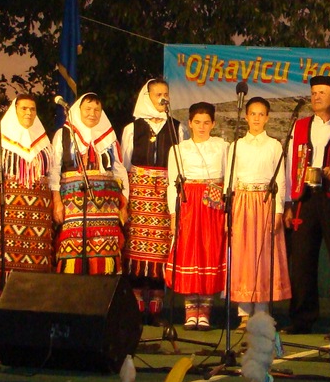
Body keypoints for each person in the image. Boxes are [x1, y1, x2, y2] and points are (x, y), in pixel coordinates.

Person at [283, 75, 330, 333]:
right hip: (306, 198)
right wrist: (289, 202)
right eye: (314, 93)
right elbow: (290, 164)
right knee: (301, 261)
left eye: (322, 93)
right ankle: (302, 319)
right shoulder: (299, 125)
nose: (316, 97)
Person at [121, 79, 184, 323]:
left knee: (159, 253)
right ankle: (135, 310)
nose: (162, 98)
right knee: (135, 253)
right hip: (138, 193)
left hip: (163, 194)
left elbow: (179, 165)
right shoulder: (132, 128)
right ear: (147, 96)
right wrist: (125, 200)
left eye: (166, 93)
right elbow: (124, 165)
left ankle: (156, 311)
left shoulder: (176, 127)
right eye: (158, 94)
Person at [0, 94, 55, 290]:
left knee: (37, 254)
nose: (28, 113)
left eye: (32, 109)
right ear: (15, 110)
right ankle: (3, 300)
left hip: (38, 210)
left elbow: (53, 172)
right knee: (5, 255)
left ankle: (33, 302)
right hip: (8, 209)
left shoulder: (44, 141)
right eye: (24, 108)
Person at [165, 102, 228, 329]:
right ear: (190, 124)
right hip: (188, 203)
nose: (202, 127)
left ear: (213, 124)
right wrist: (173, 215)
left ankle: (206, 311)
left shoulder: (222, 147)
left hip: (212, 204)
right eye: (197, 122)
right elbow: (172, 184)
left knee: (209, 251)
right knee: (190, 252)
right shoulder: (178, 150)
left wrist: (226, 211)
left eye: (206, 122)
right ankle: (191, 310)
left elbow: (228, 180)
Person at [227, 96, 289, 326]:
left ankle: (262, 313)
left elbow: (281, 181)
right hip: (242, 202)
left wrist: (278, 211)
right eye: (253, 114)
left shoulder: (274, 145)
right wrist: (229, 211)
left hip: (265, 203)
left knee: (264, 258)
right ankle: (243, 314)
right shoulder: (236, 146)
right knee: (244, 257)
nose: (256, 118)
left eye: (261, 114)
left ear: (267, 118)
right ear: (246, 117)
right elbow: (230, 180)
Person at [51, 93, 129, 275]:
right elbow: (54, 170)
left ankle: (102, 297)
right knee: (73, 252)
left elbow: (119, 170)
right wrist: (56, 201)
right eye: (88, 109)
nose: (92, 113)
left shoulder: (108, 137)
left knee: (105, 255)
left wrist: (124, 202)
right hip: (73, 205)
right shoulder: (64, 134)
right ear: (78, 110)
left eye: (97, 110)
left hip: (106, 208)